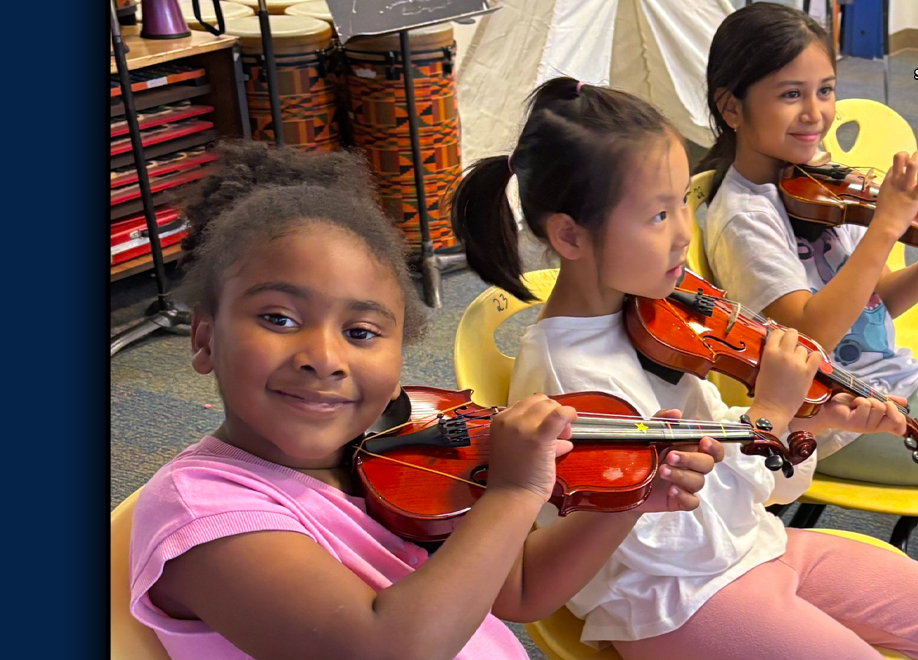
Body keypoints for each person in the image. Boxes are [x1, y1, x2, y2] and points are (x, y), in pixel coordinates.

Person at [453, 77, 918, 660]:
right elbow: (672, 537)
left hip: (751, 545)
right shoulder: (569, 377)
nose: (683, 234)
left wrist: (802, 423)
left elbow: (728, 450)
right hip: (677, 596)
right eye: (657, 215)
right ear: (570, 235)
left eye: (680, 205)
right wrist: (770, 415)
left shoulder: (653, 317)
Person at [126, 142, 721, 660]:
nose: (324, 357)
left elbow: (518, 590)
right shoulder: (203, 513)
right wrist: (512, 492)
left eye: (361, 332)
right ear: (204, 339)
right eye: (279, 318)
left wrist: (625, 505)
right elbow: (385, 648)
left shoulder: (388, 459)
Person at [696, 4, 918, 657]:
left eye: (825, 90)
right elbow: (811, 338)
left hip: (903, 376)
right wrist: (886, 225)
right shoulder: (744, 217)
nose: (815, 112)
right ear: (731, 107)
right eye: (790, 94)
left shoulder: (815, 187)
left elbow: (879, 305)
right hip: (839, 417)